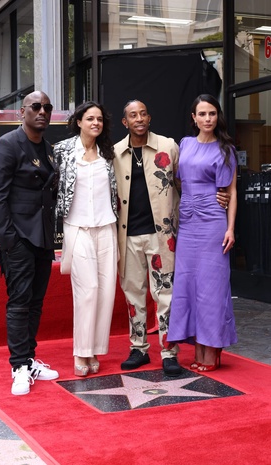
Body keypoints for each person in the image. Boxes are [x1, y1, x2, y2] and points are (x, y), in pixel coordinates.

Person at [113, 99, 230, 376]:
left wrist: (216, 194)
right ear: (125, 122)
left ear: (149, 117)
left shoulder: (169, 146)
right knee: (133, 294)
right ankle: (138, 348)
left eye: (143, 113)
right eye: (133, 115)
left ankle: (169, 351)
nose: (139, 118)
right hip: (128, 234)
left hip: (161, 233)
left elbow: (185, 181)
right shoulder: (115, 152)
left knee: (166, 294)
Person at [0, 91, 59, 395]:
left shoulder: (47, 148)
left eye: (47, 107)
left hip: (41, 237)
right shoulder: (6, 146)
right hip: (17, 238)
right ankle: (18, 367)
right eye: (36, 107)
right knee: (19, 302)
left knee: (35, 302)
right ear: (22, 112)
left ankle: (28, 360)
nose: (42, 112)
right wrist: (8, 242)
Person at [167, 94, 238, 372]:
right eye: (202, 114)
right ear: (194, 118)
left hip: (213, 222)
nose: (208, 118)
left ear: (217, 116)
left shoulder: (226, 149)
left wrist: (231, 228)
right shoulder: (184, 144)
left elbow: (231, 193)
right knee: (188, 285)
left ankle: (212, 351)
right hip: (188, 221)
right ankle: (197, 349)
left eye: (212, 113)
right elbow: (179, 179)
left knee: (212, 287)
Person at [54, 101, 118, 377]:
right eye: (90, 118)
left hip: (106, 226)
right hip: (76, 226)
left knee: (105, 292)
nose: (95, 123)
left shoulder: (109, 153)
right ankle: (80, 352)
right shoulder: (62, 151)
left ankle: (94, 349)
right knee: (88, 289)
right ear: (78, 121)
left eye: (99, 119)